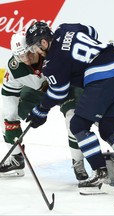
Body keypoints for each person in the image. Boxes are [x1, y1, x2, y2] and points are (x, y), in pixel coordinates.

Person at [24, 21, 114, 195]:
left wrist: (40, 110)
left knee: (78, 125)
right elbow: (92, 31)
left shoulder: (52, 63)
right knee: (108, 128)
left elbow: (58, 92)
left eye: (35, 47)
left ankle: (100, 173)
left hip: (103, 79)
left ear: (43, 42)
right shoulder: (66, 28)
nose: (36, 52)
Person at [0, 31, 88, 181]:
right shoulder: (15, 67)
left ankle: (78, 162)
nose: (27, 59)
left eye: (28, 53)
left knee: (73, 120)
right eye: (21, 56)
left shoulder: (50, 53)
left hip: (67, 89)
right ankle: (16, 157)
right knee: (4, 118)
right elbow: (9, 95)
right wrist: (11, 122)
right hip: (37, 91)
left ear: (34, 48)